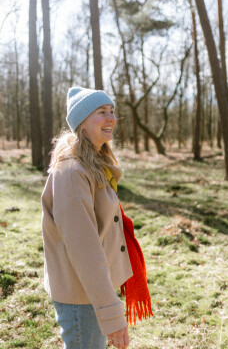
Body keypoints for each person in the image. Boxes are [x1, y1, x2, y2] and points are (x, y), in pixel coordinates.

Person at [41, 87, 152, 349]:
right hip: (82, 296)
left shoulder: (93, 164)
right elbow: (84, 249)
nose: (111, 117)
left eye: (112, 111)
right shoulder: (72, 171)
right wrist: (112, 316)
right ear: (82, 123)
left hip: (92, 290)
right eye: (101, 112)